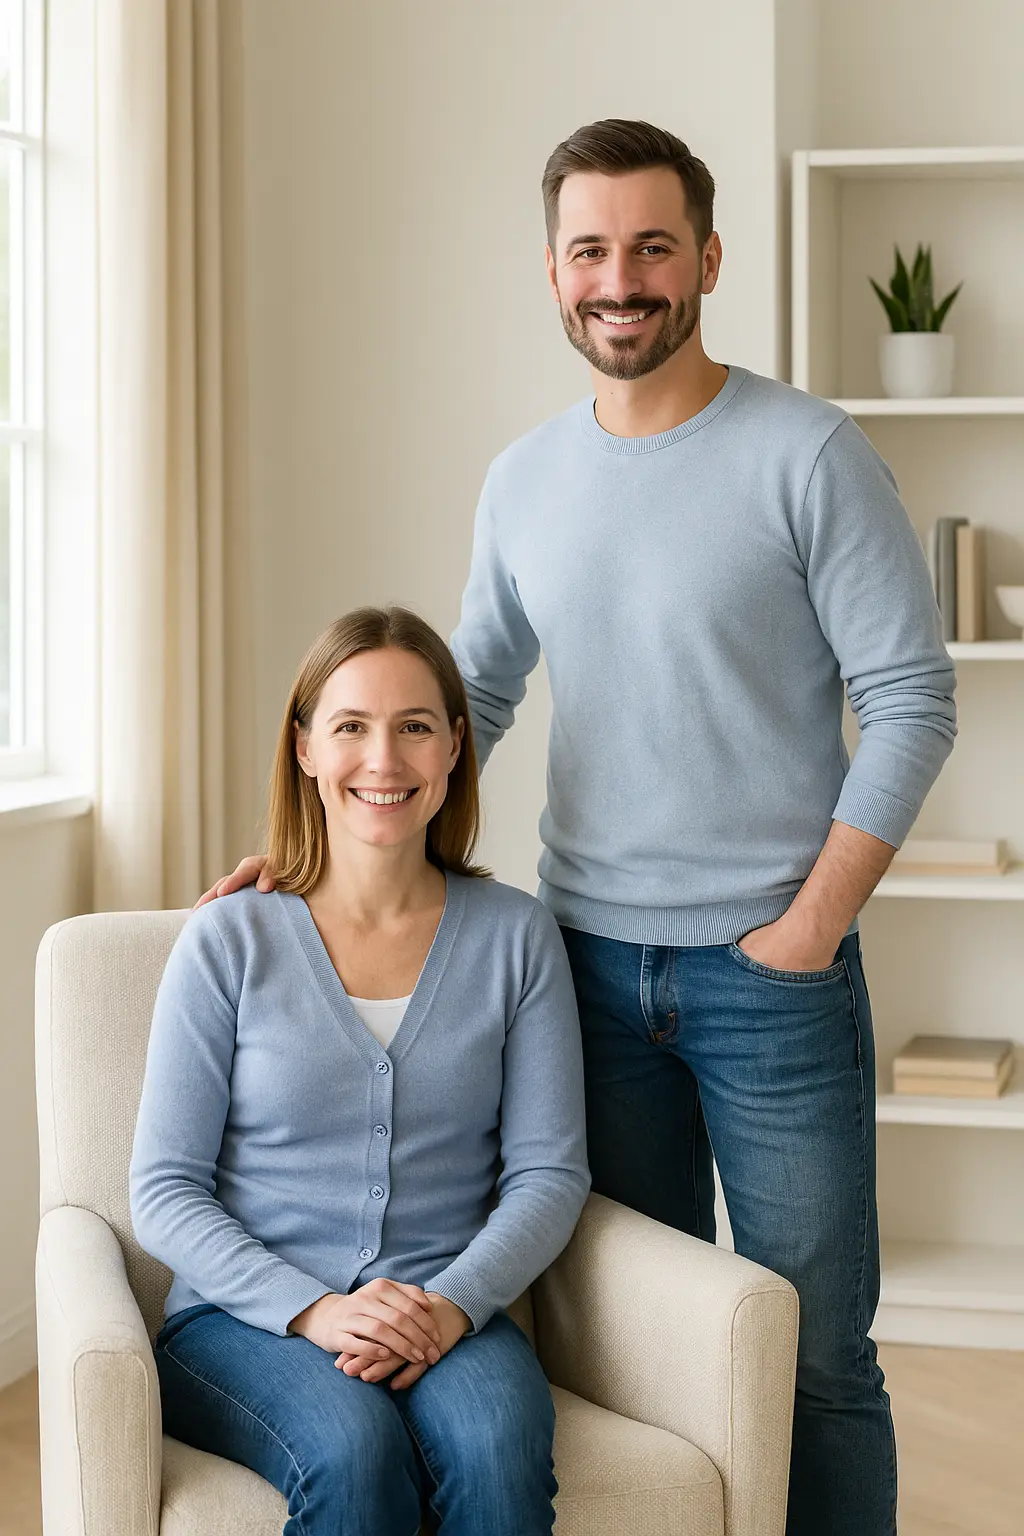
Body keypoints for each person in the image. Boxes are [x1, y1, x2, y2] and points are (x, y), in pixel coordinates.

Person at [204, 121, 957, 1535]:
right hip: (579, 977)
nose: (623, 280)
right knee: (643, 1353)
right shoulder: (524, 479)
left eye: (653, 246)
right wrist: (315, 861)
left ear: (709, 259)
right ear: (553, 276)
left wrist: (809, 929)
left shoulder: (809, 452)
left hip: (771, 979)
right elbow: (465, 699)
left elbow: (914, 700)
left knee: (816, 1357)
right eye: (591, 252)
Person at [131, 606, 589, 1536]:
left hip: (445, 1304)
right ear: (304, 748)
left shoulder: (517, 939)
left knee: (498, 1447)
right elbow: (164, 1191)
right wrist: (314, 1311)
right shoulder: (228, 941)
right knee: (351, 1450)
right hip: (243, 1319)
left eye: (414, 727)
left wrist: (453, 1306)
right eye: (350, 727)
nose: (384, 760)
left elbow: (549, 1172)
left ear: (456, 748)